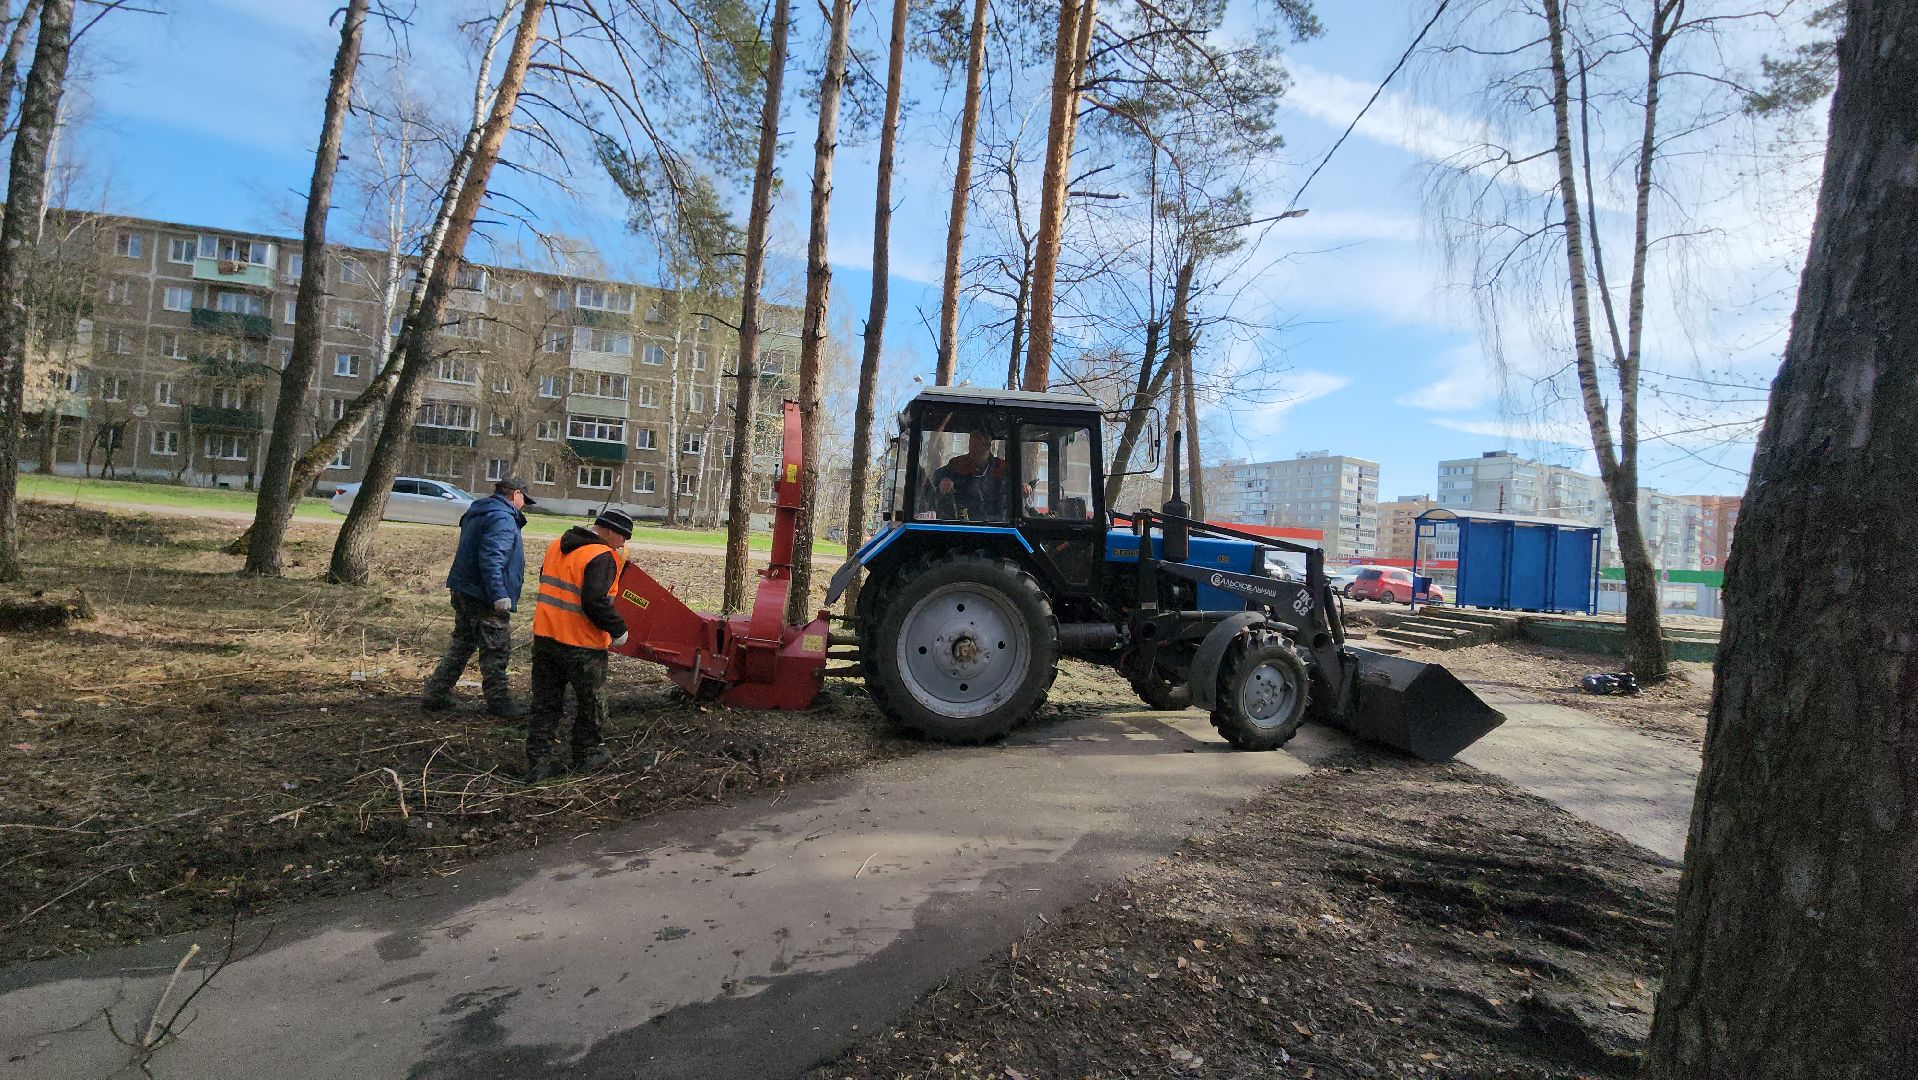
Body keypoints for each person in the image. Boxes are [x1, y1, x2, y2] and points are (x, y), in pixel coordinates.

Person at [525, 507, 633, 782]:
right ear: (607, 531)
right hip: (582, 645)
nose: (624, 542)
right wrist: (618, 629)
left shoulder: (556, 546)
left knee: (545, 703)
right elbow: (594, 601)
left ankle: (538, 763)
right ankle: (587, 754)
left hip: (546, 638)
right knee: (591, 702)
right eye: (622, 536)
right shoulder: (602, 555)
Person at [422, 477, 533, 718]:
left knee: (462, 644)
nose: (524, 505)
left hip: (464, 589)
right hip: (484, 595)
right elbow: (492, 558)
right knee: (495, 651)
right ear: (515, 494)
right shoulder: (503, 518)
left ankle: (436, 693)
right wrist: (499, 594)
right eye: (524, 499)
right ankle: (499, 702)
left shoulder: (478, 511)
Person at [934, 428, 1017, 519]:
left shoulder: (1001, 467)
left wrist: (1022, 487)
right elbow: (938, 474)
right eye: (970, 446)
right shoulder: (958, 463)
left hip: (995, 520)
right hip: (962, 519)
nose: (972, 451)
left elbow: (1015, 484)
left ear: (987, 446)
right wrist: (944, 479)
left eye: (976, 447)